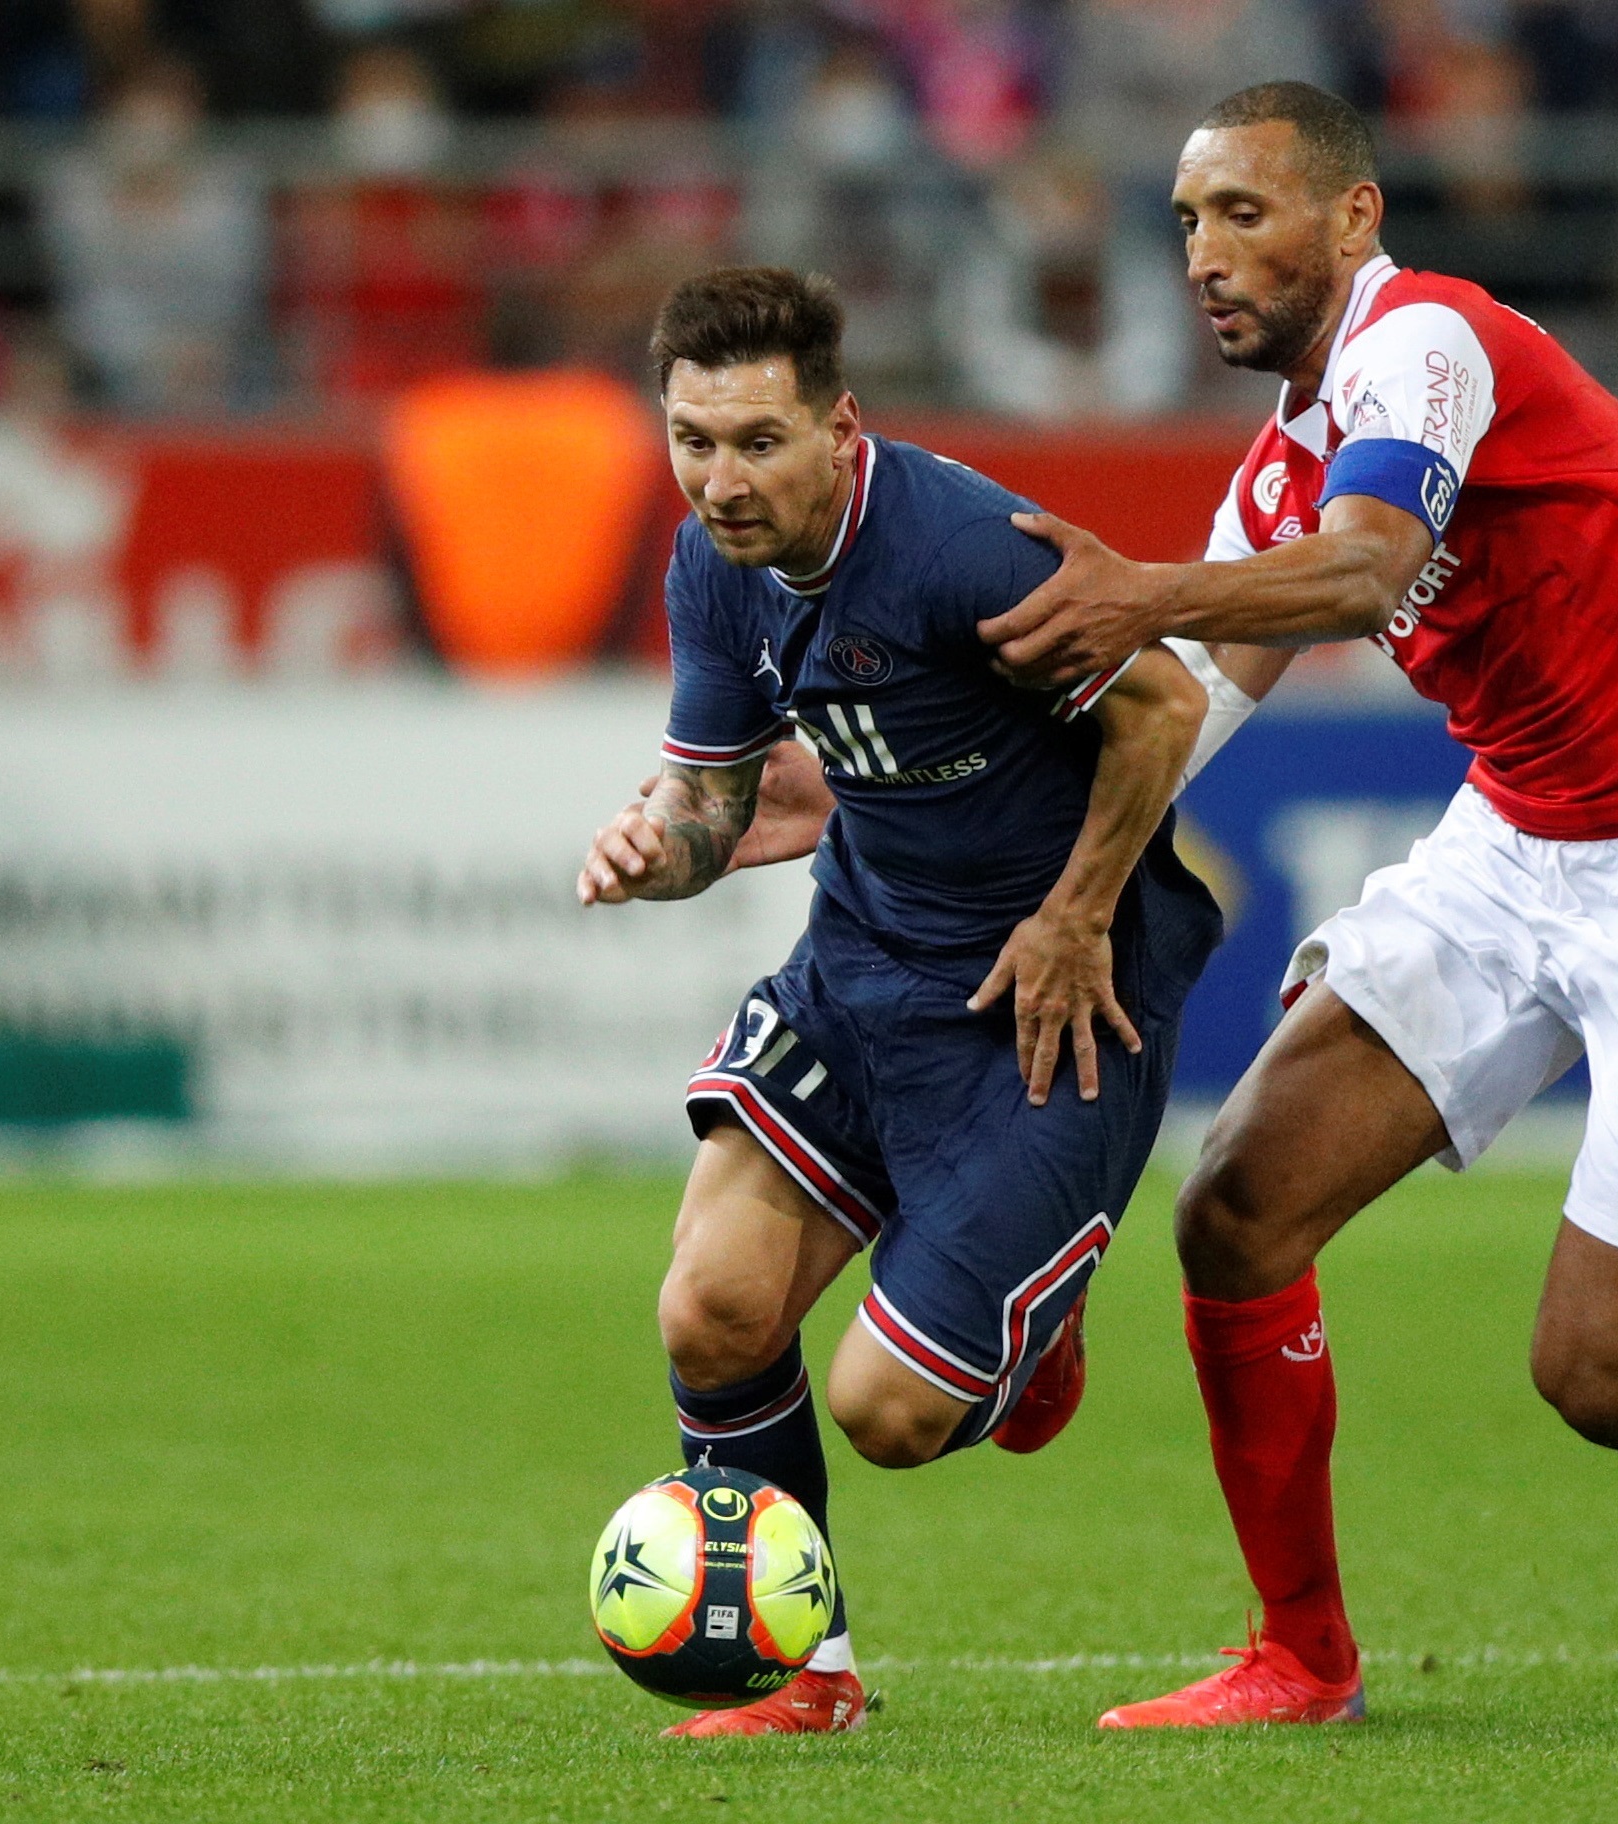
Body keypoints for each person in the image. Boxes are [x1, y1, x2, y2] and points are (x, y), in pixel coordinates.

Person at [976, 81, 1618, 1727]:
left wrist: (1143, 585)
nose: (1206, 257)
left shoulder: (1427, 344)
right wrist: (1042, 882)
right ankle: (1301, 1660)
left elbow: (1367, 569)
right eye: (1186, 222)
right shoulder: (1281, 457)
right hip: (1514, 844)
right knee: (1234, 1210)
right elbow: (1185, 702)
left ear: (1356, 218)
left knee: (1608, 1377)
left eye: (1246, 212)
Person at [575, 266, 1221, 1738]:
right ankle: (812, 1676)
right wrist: (653, 852)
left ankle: (1026, 1338)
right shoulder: (709, 568)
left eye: (757, 442)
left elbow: (1164, 707)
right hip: (861, 966)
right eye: (692, 441)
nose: (721, 480)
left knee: (892, 1415)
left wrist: (1075, 915)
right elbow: (716, 810)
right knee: (712, 1312)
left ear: (839, 428)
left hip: (1049, 999)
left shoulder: (960, 548)